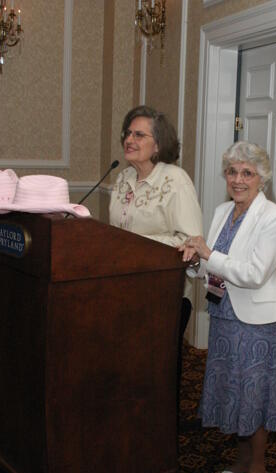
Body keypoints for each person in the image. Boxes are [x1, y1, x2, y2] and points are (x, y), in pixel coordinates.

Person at [179, 141, 276, 473]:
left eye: (247, 172)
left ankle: (259, 470)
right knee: (232, 392)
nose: (238, 179)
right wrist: (195, 262)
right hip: (225, 316)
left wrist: (209, 253)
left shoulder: (275, 217)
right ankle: (241, 462)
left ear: (262, 178)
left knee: (253, 397)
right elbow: (214, 268)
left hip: (256, 323)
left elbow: (255, 274)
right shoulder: (222, 211)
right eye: (232, 171)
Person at [109, 105, 203, 406]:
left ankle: (157, 437)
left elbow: (191, 242)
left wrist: (136, 244)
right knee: (127, 368)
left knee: (156, 373)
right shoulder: (122, 178)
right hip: (124, 290)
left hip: (163, 295)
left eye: (139, 134)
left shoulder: (175, 180)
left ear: (158, 144)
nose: (129, 139)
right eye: (128, 133)